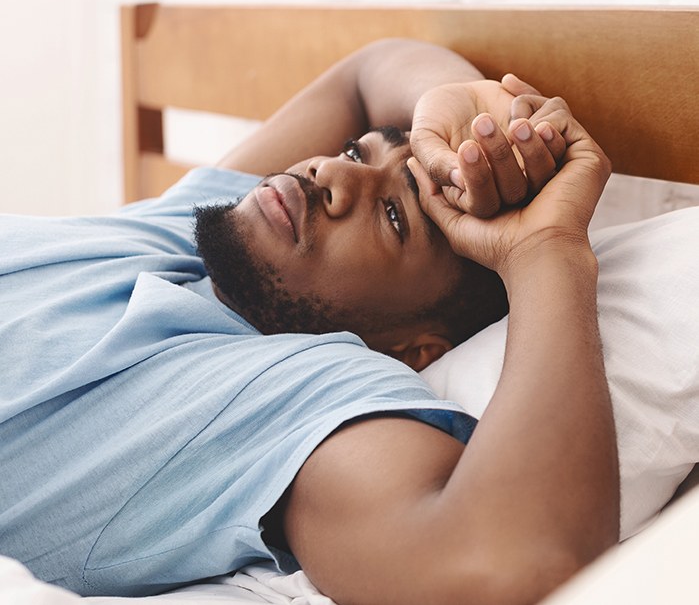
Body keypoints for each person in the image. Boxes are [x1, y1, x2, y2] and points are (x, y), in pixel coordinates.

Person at [0, 39, 617, 605]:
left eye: (394, 217)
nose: (332, 173)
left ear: (413, 348)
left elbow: (508, 563)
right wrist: (463, 100)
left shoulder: (293, 395)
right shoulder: (195, 235)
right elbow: (364, 75)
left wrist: (547, 253)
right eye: (358, 150)